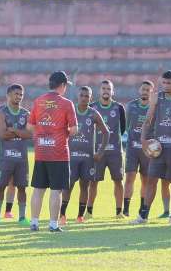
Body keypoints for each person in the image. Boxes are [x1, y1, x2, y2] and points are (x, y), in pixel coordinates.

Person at [132, 71, 171, 225]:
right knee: (151, 179)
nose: (165, 86)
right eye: (163, 83)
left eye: (169, 83)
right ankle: (144, 215)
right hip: (158, 147)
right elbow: (148, 120)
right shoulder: (156, 97)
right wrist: (143, 140)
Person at [27, 71, 78, 232]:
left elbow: (29, 127)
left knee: (38, 189)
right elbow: (74, 129)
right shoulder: (67, 103)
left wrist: (42, 132)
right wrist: (65, 133)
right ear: (62, 85)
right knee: (56, 190)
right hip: (59, 153)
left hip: (41, 151)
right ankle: (53, 224)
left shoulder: (38, 101)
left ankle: (34, 223)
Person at [60, 86, 109, 224]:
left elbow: (106, 132)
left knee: (84, 186)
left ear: (91, 98)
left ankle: (80, 216)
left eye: (87, 96)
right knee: (68, 185)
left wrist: (100, 152)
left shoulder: (93, 114)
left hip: (88, 158)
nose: (84, 98)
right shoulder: (71, 111)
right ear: (78, 96)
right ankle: (62, 215)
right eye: (82, 95)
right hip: (71, 156)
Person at [0, 84, 31, 226]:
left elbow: (30, 134)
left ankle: (22, 217)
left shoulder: (26, 114)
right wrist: (21, 132)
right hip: (5, 157)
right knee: (1, 186)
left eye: (21, 94)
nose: (19, 97)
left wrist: (13, 130)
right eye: (16, 94)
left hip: (21, 159)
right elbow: (2, 134)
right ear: (8, 95)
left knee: (22, 187)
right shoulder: (1, 113)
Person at [88, 80, 126, 218]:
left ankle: (119, 212)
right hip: (97, 152)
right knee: (93, 182)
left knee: (118, 181)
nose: (106, 91)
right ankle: (89, 212)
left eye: (108, 89)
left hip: (115, 152)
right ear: (100, 90)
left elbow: (122, 129)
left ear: (112, 91)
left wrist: (112, 142)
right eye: (103, 88)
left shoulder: (119, 108)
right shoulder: (92, 107)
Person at [123, 81, 154, 217]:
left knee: (145, 179)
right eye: (143, 89)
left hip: (147, 149)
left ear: (151, 92)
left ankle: (142, 207)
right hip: (132, 148)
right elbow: (125, 125)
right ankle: (126, 209)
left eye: (148, 90)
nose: (145, 92)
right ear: (139, 91)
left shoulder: (154, 107)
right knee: (130, 177)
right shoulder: (131, 106)